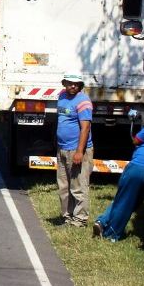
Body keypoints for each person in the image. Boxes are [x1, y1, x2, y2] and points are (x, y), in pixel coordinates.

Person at [94, 114, 144, 241]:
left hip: (137, 166)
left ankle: (111, 233)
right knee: (133, 201)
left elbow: (136, 140)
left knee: (123, 199)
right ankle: (102, 221)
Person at [56, 72, 94, 227]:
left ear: (80, 86)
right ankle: (68, 216)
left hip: (76, 150)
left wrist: (79, 151)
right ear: (64, 83)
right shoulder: (62, 96)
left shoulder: (83, 101)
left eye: (76, 84)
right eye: (70, 83)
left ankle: (80, 220)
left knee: (78, 186)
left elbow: (85, 128)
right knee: (64, 186)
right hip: (62, 148)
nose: (73, 86)